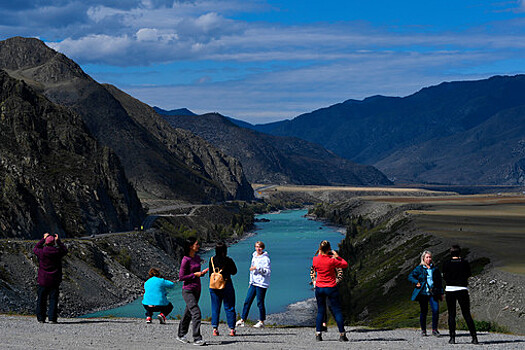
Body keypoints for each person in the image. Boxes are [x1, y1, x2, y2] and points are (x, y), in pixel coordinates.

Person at [312, 240, 348, 342]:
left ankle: (318, 334)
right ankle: (342, 334)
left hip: (319, 288)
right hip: (331, 287)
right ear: (329, 249)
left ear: (319, 249)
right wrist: (337, 256)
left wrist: (321, 253)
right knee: (336, 311)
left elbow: (315, 267)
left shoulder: (315, 260)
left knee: (320, 311)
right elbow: (344, 264)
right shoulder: (332, 260)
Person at [442, 245, 479, 345]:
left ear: (450, 253)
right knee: (466, 313)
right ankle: (474, 338)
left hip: (450, 289)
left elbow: (444, 276)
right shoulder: (464, 263)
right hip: (462, 289)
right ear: (459, 253)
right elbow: (468, 274)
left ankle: (452, 338)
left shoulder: (446, 263)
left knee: (452, 314)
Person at [176, 237, 209, 346]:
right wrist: (194, 275)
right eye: (196, 244)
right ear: (190, 246)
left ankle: (181, 335)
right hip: (188, 290)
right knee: (196, 313)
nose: (198, 246)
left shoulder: (197, 258)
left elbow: (197, 273)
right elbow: (181, 277)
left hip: (197, 289)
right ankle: (197, 338)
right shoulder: (185, 260)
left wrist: (201, 273)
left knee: (188, 313)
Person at [33, 232, 68, 323]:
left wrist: (43, 239)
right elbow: (65, 250)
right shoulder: (57, 252)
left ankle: (41, 318)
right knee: (53, 300)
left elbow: (35, 248)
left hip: (43, 280)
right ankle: (52, 318)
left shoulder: (42, 252)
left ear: (46, 243)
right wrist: (59, 241)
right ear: (54, 243)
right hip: (54, 280)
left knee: (41, 299)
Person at [236, 241, 271, 328]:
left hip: (261, 284)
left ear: (263, 248)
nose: (258, 249)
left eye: (260, 247)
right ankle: (243, 319)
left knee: (260, 302)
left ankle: (262, 321)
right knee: (247, 301)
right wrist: (250, 282)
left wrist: (257, 268)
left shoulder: (266, 259)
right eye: (256, 247)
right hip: (253, 283)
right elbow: (251, 272)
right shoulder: (254, 257)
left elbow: (267, 272)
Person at [408, 250, 444, 336]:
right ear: (423, 258)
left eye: (430, 257)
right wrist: (416, 282)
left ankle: (434, 330)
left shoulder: (435, 268)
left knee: (435, 310)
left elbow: (439, 281)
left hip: (433, 293)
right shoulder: (419, 268)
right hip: (423, 293)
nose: (429, 259)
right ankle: (423, 330)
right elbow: (410, 276)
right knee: (424, 311)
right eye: (427, 257)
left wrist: (441, 293)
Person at [209, 242, 238, 336]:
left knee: (215, 307)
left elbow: (210, 273)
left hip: (214, 286)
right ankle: (232, 329)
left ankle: (215, 329)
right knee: (229, 307)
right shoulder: (228, 260)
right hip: (226, 284)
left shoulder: (212, 260)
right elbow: (234, 272)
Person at [310, 263, 343, 331]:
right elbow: (340, 272)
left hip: (325, 286)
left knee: (327, 306)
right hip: (327, 286)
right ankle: (327, 324)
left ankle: (327, 325)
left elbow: (312, 270)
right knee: (326, 306)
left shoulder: (318, 259)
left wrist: (314, 281)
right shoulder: (333, 260)